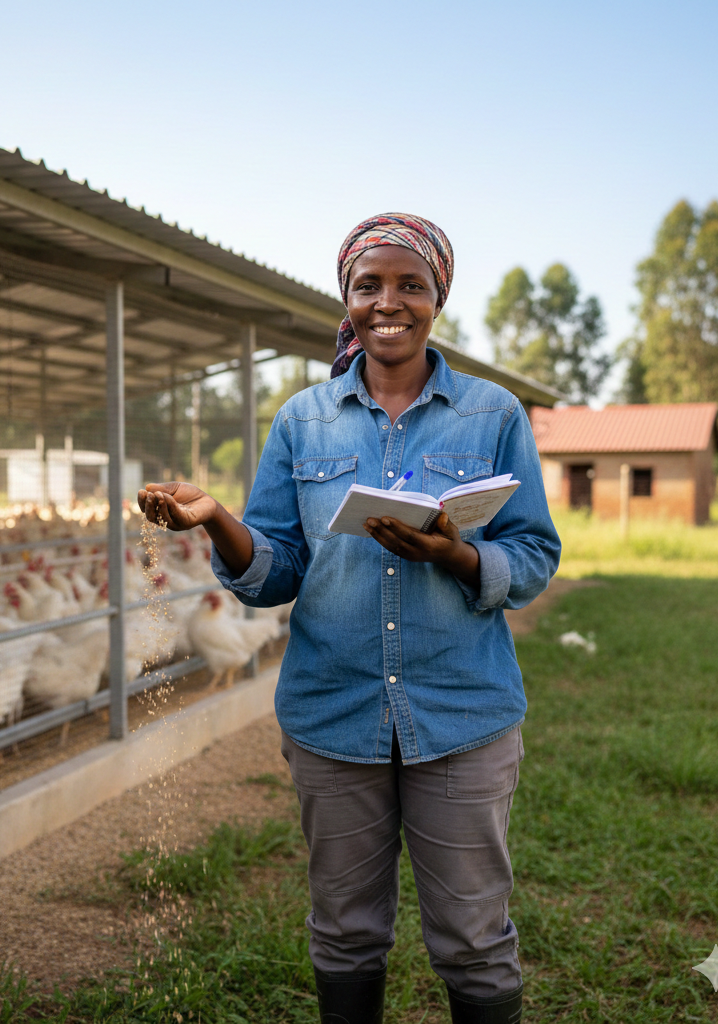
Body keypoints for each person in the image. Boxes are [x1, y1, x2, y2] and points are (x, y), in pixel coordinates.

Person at [138, 212, 561, 1024]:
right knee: (345, 933)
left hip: (461, 713)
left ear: (439, 297)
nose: (388, 302)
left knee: (473, 936)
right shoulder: (305, 421)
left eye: (411, 284)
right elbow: (277, 573)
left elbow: (534, 555)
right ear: (348, 298)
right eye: (369, 285)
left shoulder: (492, 414)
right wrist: (219, 518)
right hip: (335, 713)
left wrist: (456, 557)